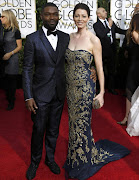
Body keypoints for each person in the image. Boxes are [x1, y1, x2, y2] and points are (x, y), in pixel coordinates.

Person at [63, 3, 130, 180]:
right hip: (70, 89)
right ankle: (74, 157)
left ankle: (83, 160)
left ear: (88, 18)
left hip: (86, 89)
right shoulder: (68, 37)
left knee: (83, 125)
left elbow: (99, 68)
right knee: (72, 124)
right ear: (73, 16)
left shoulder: (94, 40)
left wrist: (101, 93)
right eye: (77, 15)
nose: (80, 19)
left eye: (83, 16)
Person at [22, 3, 70, 180]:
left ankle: (50, 159)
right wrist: (28, 96)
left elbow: (72, 60)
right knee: (38, 129)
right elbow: (27, 69)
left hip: (58, 92)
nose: (52, 18)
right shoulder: (33, 38)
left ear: (58, 16)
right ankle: (34, 162)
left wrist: (91, 69)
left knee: (53, 130)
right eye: (48, 14)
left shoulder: (65, 37)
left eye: (55, 14)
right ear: (41, 16)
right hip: (40, 94)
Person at [93, 7, 126, 95]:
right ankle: (100, 89)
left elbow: (119, 30)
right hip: (102, 51)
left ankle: (111, 88)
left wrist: (130, 31)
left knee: (112, 70)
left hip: (112, 49)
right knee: (101, 70)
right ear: (99, 14)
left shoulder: (110, 22)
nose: (106, 12)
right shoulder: (96, 25)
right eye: (103, 11)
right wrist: (109, 26)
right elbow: (102, 34)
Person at [117, 13, 139, 125]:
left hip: (135, 66)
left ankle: (129, 118)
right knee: (129, 91)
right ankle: (127, 118)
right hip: (135, 67)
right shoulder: (135, 34)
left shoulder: (133, 33)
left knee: (131, 91)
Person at [0, 10, 22, 110]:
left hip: (12, 59)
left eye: (3, 17)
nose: (1, 18)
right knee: (6, 80)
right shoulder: (3, 30)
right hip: (4, 59)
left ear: (8, 18)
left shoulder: (15, 31)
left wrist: (10, 53)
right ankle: (9, 98)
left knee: (12, 80)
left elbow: (19, 47)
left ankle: (12, 101)